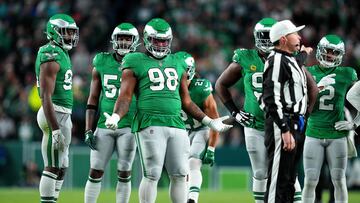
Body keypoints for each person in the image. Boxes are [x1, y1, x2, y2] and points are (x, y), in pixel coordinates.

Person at [104, 18, 232, 203]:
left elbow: (186, 102)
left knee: (180, 174)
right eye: (157, 40)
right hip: (149, 122)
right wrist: (117, 115)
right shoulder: (134, 59)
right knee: (152, 174)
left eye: (165, 41)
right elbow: (125, 96)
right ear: (147, 39)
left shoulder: (178, 60)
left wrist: (209, 121)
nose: (162, 44)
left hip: (177, 124)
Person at [83, 23, 140, 203]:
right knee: (95, 170)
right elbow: (92, 98)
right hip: (103, 125)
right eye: (121, 38)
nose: (123, 42)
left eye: (127, 38)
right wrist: (87, 129)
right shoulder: (101, 61)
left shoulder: (140, 63)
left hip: (129, 125)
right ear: (114, 40)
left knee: (124, 171)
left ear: (135, 41)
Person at [261, 20, 316, 203]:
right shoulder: (276, 60)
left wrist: (304, 53)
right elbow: (271, 98)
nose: (299, 37)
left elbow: (296, 62)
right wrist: (284, 129)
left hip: (296, 123)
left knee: (289, 180)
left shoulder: (289, 59)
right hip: (283, 125)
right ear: (283, 39)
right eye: (295, 34)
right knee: (278, 180)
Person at [302, 34, 358, 203]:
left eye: (334, 52)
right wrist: (317, 88)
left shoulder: (347, 73)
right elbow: (298, 101)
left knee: (339, 181)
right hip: (313, 131)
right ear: (320, 50)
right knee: (310, 181)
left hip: (337, 135)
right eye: (327, 51)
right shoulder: (308, 72)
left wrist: (355, 123)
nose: (330, 55)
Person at [35, 13, 79, 203]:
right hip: (53, 111)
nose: (69, 36)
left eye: (71, 32)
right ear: (54, 32)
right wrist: (55, 129)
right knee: (52, 166)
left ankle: (53, 199)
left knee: (62, 165)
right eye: (65, 32)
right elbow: (46, 95)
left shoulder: (62, 53)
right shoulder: (50, 53)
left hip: (63, 113)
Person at [176, 51, 220, 203]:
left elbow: (215, 121)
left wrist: (211, 148)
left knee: (193, 162)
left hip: (201, 130)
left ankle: (192, 199)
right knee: (181, 171)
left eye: (184, 72)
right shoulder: (167, 89)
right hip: (179, 131)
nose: (182, 76)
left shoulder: (201, 89)